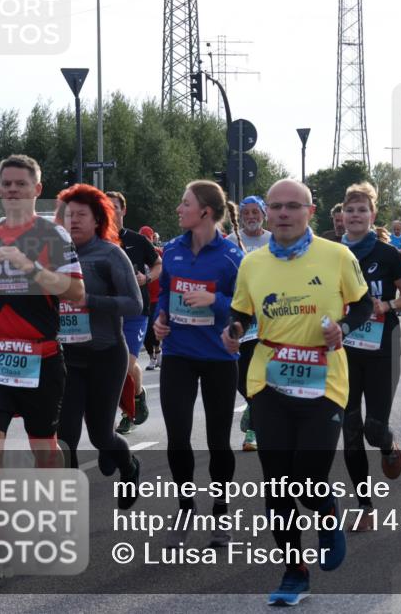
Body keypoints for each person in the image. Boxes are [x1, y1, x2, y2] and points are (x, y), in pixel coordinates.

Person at [223, 178, 370, 606]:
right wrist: (233, 333)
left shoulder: (337, 255)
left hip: (324, 381)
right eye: (276, 207)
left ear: (310, 211)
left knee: (308, 479)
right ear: (267, 213)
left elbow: (362, 305)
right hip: (269, 379)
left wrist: (341, 329)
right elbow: (240, 312)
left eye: (293, 206)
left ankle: (326, 515)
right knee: (277, 483)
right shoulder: (252, 263)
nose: (283, 214)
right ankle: (294, 571)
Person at [0, 156, 85, 478]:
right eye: (6, 184)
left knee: (44, 450)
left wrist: (31, 266)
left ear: (36, 189)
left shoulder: (54, 235)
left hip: (40, 356)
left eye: (20, 184)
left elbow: (75, 292)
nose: (12, 190)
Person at [151, 181, 244, 547]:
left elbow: (245, 306)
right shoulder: (172, 250)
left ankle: (220, 510)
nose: (178, 208)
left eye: (185, 203)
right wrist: (160, 322)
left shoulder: (231, 257)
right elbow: (166, 297)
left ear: (205, 212)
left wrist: (215, 299)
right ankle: (185, 506)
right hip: (178, 355)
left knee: (218, 440)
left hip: (220, 357)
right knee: (177, 437)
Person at [54, 185, 142, 509]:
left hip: (106, 355)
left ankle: (129, 466)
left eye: (81, 215)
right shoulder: (52, 256)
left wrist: (88, 300)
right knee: (65, 436)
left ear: (97, 219)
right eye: (68, 214)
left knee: (101, 436)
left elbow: (135, 304)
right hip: (67, 358)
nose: (73, 220)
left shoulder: (109, 254)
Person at [339, 182, 401, 530]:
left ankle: (388, 445)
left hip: (382, 347)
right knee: (351, 429)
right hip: (344, 351)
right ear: (342, 215)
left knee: (373, 428)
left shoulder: (386, 255)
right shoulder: (331, 254)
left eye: (362, 210)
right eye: (350, 209)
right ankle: (365, 506)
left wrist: (386, 304)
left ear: (372, 216)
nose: (355, 215)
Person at [105, 191, 162, 435]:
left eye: (115, 206)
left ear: (123, 210)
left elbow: (159, 264)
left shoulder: (138, 240)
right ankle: (136, 397)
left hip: (136, 311)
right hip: (106, 312)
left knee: (125, 363)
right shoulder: (96, 241)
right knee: (110, 366)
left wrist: (146, 277)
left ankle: (130, 410)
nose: (111, 209)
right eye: (106, 205)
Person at [230, 195, 272, 452]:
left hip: (269, 319)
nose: (252, 216)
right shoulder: (231, 242)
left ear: (264, 214)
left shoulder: (274, 240)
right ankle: (253, 404)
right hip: (239, 317)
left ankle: (253, 431)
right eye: (247, 213)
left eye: (256, 212)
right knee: (238, 375)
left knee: (263, 373)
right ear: (240, 216)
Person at [140, 225, 163, 371]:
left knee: (154, 329)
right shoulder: (138, 254)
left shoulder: (159, 253)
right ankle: (152, 355)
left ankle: (157, 353)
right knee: (146, 332)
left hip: (157, 297)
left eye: (148, 239)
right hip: (144, 297)